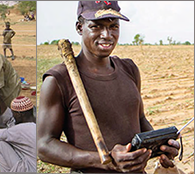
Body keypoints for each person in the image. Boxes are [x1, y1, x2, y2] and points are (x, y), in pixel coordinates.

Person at [37, 1, 180, 173]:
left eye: (113, 26)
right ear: (79, 27)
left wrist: (160, 145)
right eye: (96, 26)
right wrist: (105, 160)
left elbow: (140, 120)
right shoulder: (59, 80)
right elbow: (44, 146)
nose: (107, 34)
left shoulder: (129, 69)